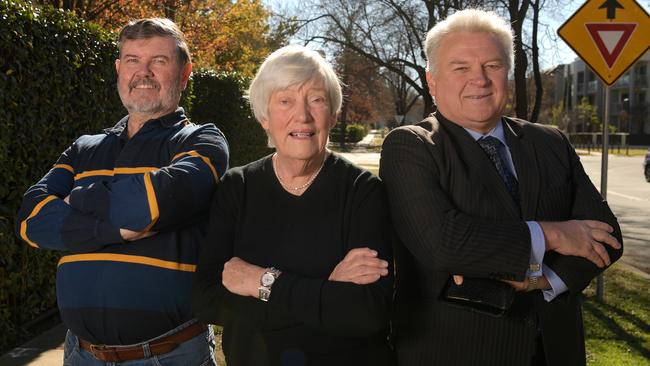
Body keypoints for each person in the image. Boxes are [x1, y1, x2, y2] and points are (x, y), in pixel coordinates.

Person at [379, 9, 623, 366]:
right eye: (461, 68)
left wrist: (546, 278)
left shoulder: (550, 142)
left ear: (508, 75)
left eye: (492, 65)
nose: (479, 79)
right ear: (432, 82)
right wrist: (553, 235)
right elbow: (444, 243)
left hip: (556, 350)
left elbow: (606, 234)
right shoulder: (412, 146)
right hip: (456, 352)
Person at [15, 18, 228, 365]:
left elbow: (158, 203)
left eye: (158, 61)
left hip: (169, 356)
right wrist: (122, 226)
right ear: (119, 69)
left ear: (185, 72)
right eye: (132, 60)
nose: (143, 72)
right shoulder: (84, 148)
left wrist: (75, 201)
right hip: (81, 355)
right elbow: (30, 221)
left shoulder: (201, 140)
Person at [192, 45, 395, 366]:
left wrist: (261, 281)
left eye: (316, 99)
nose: (302, 115)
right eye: (285, 101)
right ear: (264, 117)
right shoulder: (237, 186)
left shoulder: (363, 191)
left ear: (333, 113)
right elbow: (206, 300)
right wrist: (326, 290)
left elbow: (366, 313)